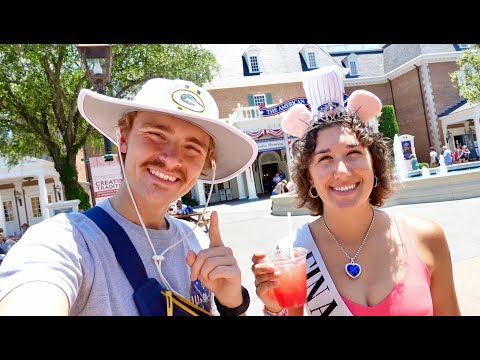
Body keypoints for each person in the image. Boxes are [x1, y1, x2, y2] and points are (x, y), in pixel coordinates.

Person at [0, 77, 258, 316]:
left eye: (192, 147)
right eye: (156, 134)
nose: (171, 159)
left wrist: (232, 303)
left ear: (204, 164)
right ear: (123, 138)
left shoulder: (199, 245)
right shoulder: (67, 243)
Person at [251, 66, 460, 316]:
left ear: (374, 164)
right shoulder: (294, 253)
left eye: (353, 154)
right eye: (325, 159)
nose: (341, 170)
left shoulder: (426, 238)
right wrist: (274, 309)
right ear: (310, 176)